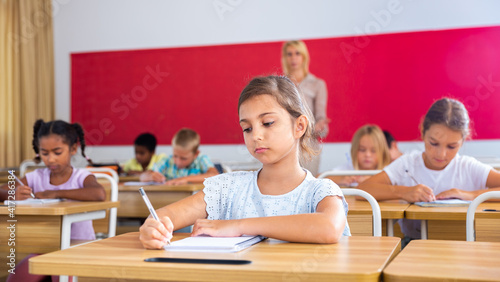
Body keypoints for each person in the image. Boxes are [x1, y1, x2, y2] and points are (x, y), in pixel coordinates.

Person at [139, 76, 350, 249]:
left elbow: (329, 227)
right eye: (247, 128)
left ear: (299, 126)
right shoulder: (228, 188)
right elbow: (165, 216)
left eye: (267, 123)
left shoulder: (320, 190)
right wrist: (154, 227)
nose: (255, 135)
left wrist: (239, 226)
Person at [358, 98, 500, 240]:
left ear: (463, 141)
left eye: (451, 146)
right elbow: (361, 191)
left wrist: (470, 195)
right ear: (422, 132)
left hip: (463, 244)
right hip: (414, 244)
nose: (441, 154)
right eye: (433, 143)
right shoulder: (408, 164)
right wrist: (403, 192)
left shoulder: (468, 167)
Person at [3, 119, 105, 282]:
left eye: (57, 153)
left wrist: (57, 193)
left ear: (72, 149)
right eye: (44, 153)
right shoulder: (35, 177)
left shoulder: (81, 177)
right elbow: (2, 190)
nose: (50, 159)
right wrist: (12, 194)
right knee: (18, 277)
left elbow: (99, 194)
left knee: (61, 273)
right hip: (45, 248)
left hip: (79, 247)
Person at [282, 40, 329, 175]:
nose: (293, 58)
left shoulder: (317, 84)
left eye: (297, 53)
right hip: (284, 145)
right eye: (289, 54)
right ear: (284, 58)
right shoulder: (279, 84)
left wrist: (320, 126)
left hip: (308, 147)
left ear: (304, 57)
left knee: (308, 188)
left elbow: (321, 118)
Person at [140, 128, 218, 185]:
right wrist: (150, 176)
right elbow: (142, 177)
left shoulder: (201, 159)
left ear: (196, 154)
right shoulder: (167, 160)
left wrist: (185, 179)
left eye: (183, 158)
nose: (178, 161)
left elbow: (215, 175)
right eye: (175, 156)